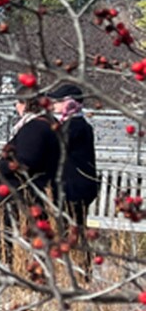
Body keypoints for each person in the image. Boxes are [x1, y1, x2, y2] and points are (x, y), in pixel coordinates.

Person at [0, 92, 60, 264]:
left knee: (0, 227)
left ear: (26, 104)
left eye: (17, 103)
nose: (16, 107)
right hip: (37, 190)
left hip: (21, 192)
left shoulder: (34, 127)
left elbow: (26, 161)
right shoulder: (50, 124)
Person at [47, 83, 98, 243]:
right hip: (76, 187)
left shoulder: (75, 127)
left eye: (58, 101)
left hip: (74, 189)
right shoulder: (76, 126)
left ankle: (80, 261)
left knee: (72, 228)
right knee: (73, 227)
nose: (53, 105)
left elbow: (55, 146)